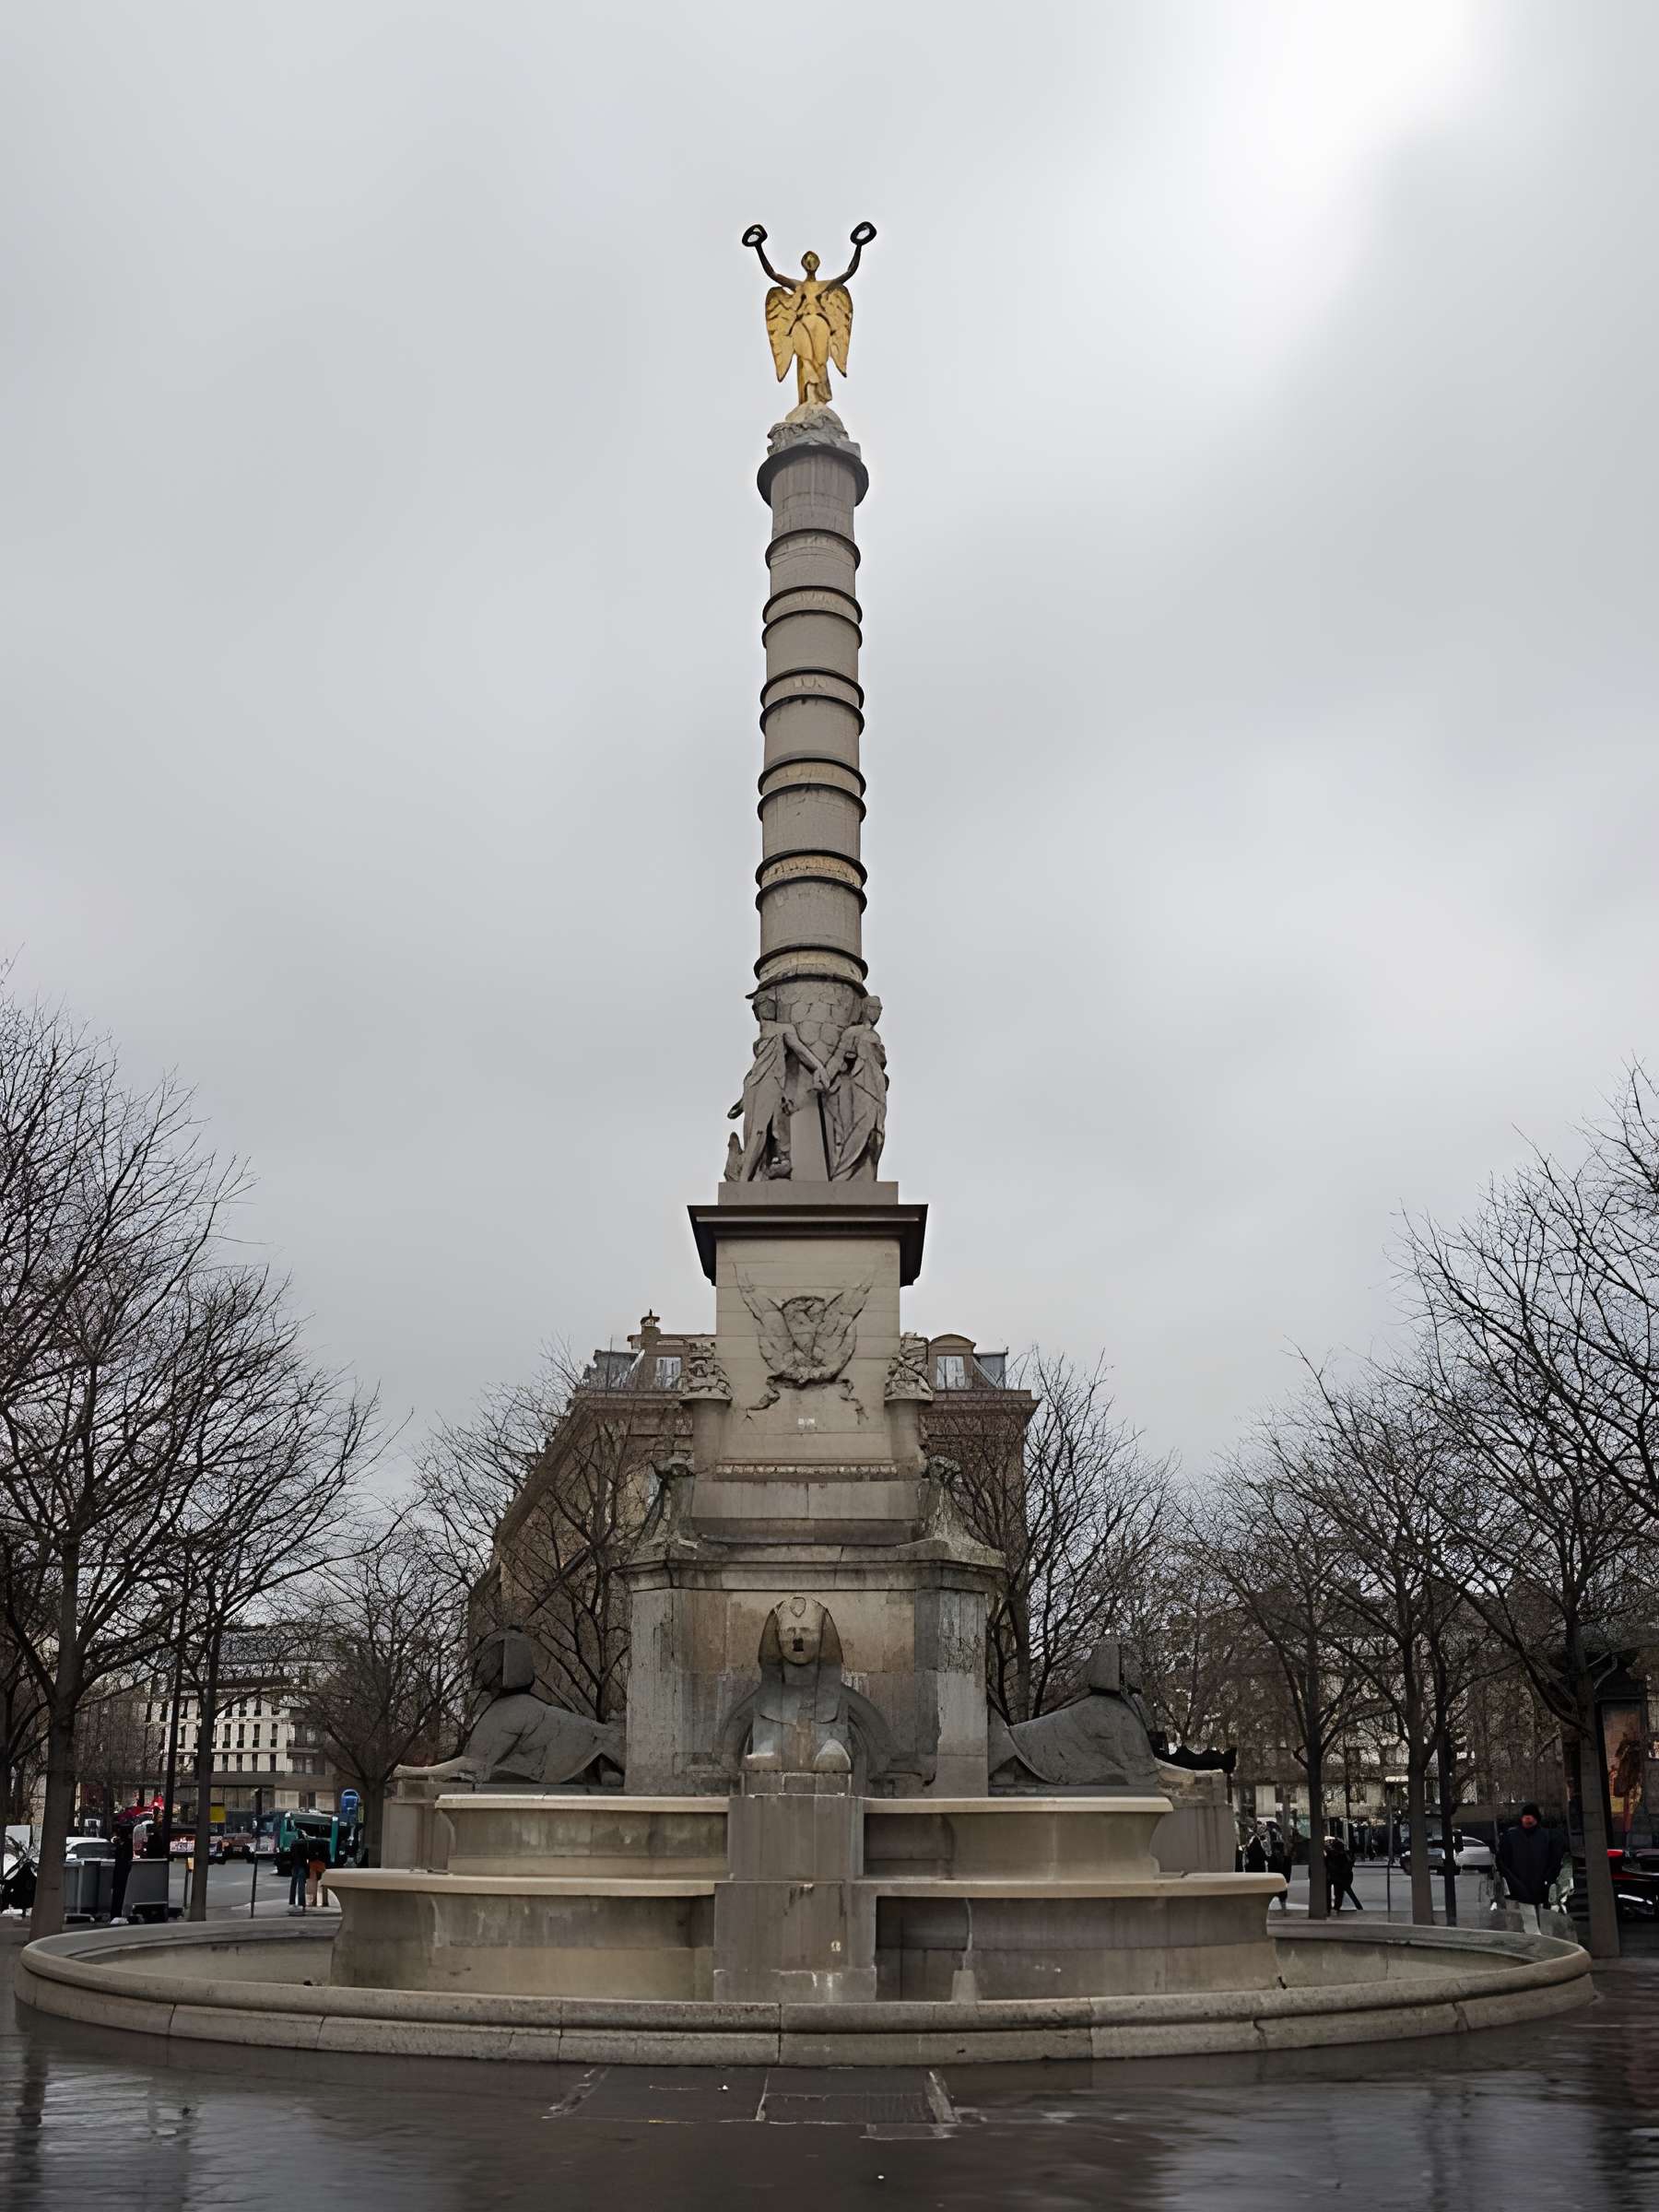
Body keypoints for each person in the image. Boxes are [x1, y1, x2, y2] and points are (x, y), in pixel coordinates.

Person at [1497, 1803, 1565, 1933]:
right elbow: (1503, 1861)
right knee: (1530, 1918)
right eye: (1525, 1816)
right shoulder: (1512, 1836)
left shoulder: (1545, 1836)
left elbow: (1554, 1860)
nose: (1528, 1819)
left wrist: (1548, 1878)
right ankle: (1537, 1942)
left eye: (1530, 1816)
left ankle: (1537, 1941)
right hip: (1521, 1884)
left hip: (1536, 1884)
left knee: (1535, 1917)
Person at [1326, 1830, 1364, 1912]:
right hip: (1344, 1877)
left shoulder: (1339, 1856)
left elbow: (1339, 1867)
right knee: (1344, 1893)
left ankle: (1337, 1907)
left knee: (1340, 1893)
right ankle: (1338, 1907)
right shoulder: (1345, 1855)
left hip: (1340, 1878)